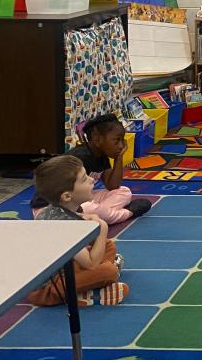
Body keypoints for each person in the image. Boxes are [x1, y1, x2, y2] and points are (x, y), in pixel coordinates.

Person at [26, 155, 128, 307]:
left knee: (108, 246)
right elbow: (91, 264)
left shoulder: (53, 211)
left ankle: (93, 283)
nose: (91, 180)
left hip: (64, 269)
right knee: (108, 270)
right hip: (46, 289)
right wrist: (103, 228)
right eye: (84, 179)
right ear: (67, 196)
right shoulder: (63, 226)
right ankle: (90, 293)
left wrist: (87, 221)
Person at [29, 114, 151, 223]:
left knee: (124, 192)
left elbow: (113, 186)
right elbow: (64, 196)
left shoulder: (102, 156)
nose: (121, 146)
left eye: (122, 141)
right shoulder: (78, 158)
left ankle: (99, 214)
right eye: (116, 140)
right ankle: (126, 213)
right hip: (52, 206)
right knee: (91, 208)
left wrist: (119, 158)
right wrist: (94, 206)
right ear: (97, 140)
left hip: (78, 200)